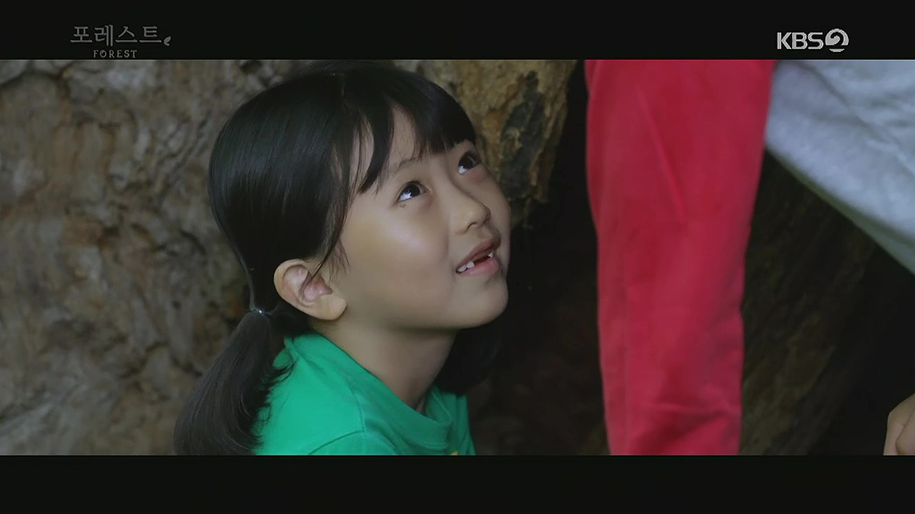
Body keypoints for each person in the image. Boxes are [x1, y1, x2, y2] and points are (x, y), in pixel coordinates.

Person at [173, 60, 512, 455]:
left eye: (466, 162)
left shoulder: (431, 387)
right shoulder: (348, 445)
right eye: (410, 191)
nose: (473, 210)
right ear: (315, 285)